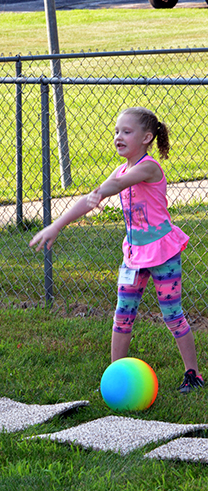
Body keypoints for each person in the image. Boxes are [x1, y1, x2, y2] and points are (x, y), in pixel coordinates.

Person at [29, 106, 204, 394]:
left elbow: (119, 184)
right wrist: (57, 225)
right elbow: (92, 198)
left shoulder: (149, 167)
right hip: (134, 256)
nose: (118, 137)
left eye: (126, 131)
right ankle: (115, 375)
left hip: (163, 252)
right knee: (123, 314)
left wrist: (102, 190)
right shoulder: (119, 170)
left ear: (147, 137)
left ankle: (193, 374)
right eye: (116, 131)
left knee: (172, 314)